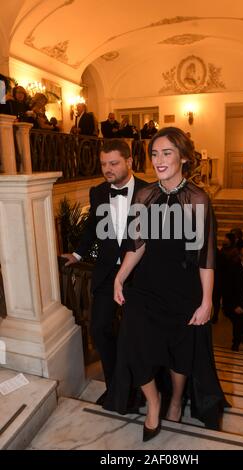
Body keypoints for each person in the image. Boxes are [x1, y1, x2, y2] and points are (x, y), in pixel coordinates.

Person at [106, 127, 227, 442]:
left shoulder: (198, 199)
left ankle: (175, 399)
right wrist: (120, 276)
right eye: (155, 153)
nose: (159, 160)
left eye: (167, 153)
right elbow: (139, 244)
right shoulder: (145, 195)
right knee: (133, 342)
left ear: (184, 157)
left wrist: (207, 301)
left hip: (184, 288)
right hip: (146, 286)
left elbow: (206, 255)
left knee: (180, 351)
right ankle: (154, 401)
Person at [61, 139, 148, 406]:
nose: (107, 169)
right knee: (99, 328)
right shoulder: (98, 192)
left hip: (140, 274)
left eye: (114, 163)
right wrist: (77, 254)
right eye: (103, 164)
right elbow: (92, 229)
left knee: (138, 335)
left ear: (129, 162)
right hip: (107, 271)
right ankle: (115, 387)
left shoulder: (150, 191)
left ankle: (141, 389)